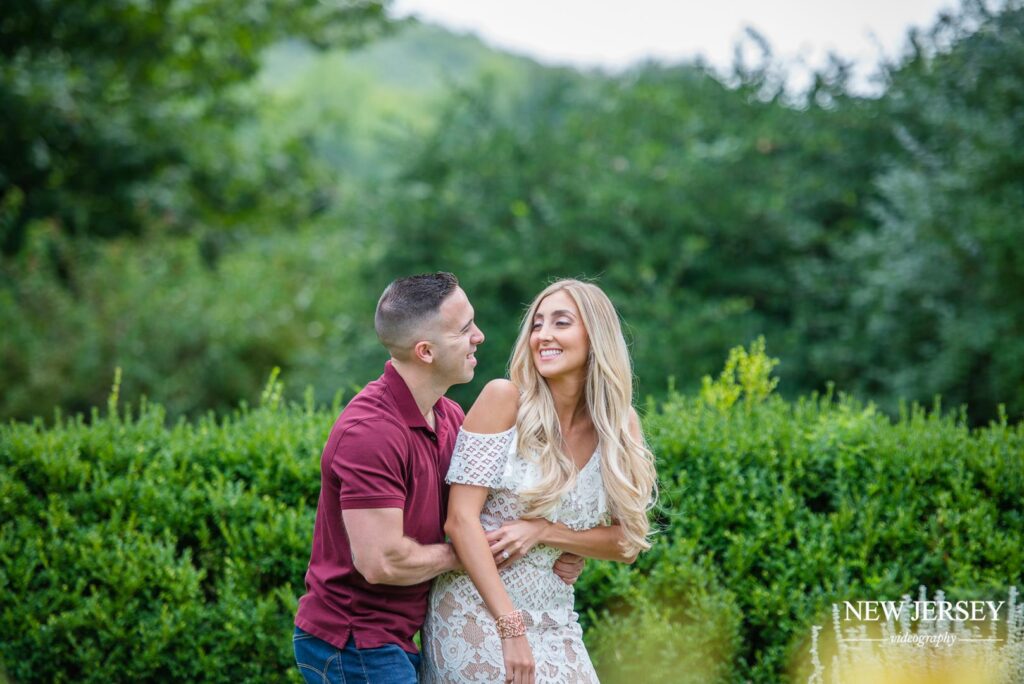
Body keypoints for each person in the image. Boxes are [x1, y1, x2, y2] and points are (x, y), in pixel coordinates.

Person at [292, 272, 583, 684]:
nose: (479, 336)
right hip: (354, 641)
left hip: (402, 636)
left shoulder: (449, 417)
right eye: (465, 329)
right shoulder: (370, 432)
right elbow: (381, 561)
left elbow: (492, 509)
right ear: (426, 351)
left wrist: (552, 546)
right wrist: (474, 553)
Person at [421, 279, 658, 684]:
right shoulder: (503, 400)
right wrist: (510, 629)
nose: (543, 335)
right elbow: (459, 522)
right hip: (477, 611)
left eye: (561, 323)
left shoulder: (621, 428)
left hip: (557, 619)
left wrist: (546, 532)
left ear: (594, 336)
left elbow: (627, 543)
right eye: (537, 324)